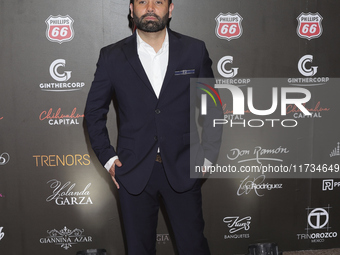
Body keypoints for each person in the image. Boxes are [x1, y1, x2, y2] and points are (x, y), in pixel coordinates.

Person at [85, 0, 222, 254]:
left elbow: (211, 106)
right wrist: (107, 158)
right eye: (142, 2)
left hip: (183, 166)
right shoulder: (111, 56)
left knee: (194, 247)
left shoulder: (194, 50)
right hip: (132, 170)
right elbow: (94, 113)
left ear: (170, 9)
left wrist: (209, 154)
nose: (150, 7)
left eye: (158, 1)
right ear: (131, 9)